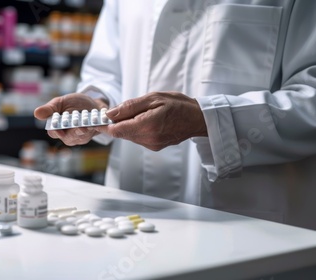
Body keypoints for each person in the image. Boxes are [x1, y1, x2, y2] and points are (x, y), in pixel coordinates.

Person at [35, 0, 316, 230]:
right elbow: (106, 71)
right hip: (131, 207)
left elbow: (310, 97)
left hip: (248, 220)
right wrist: (98, 103)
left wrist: (205, 120)